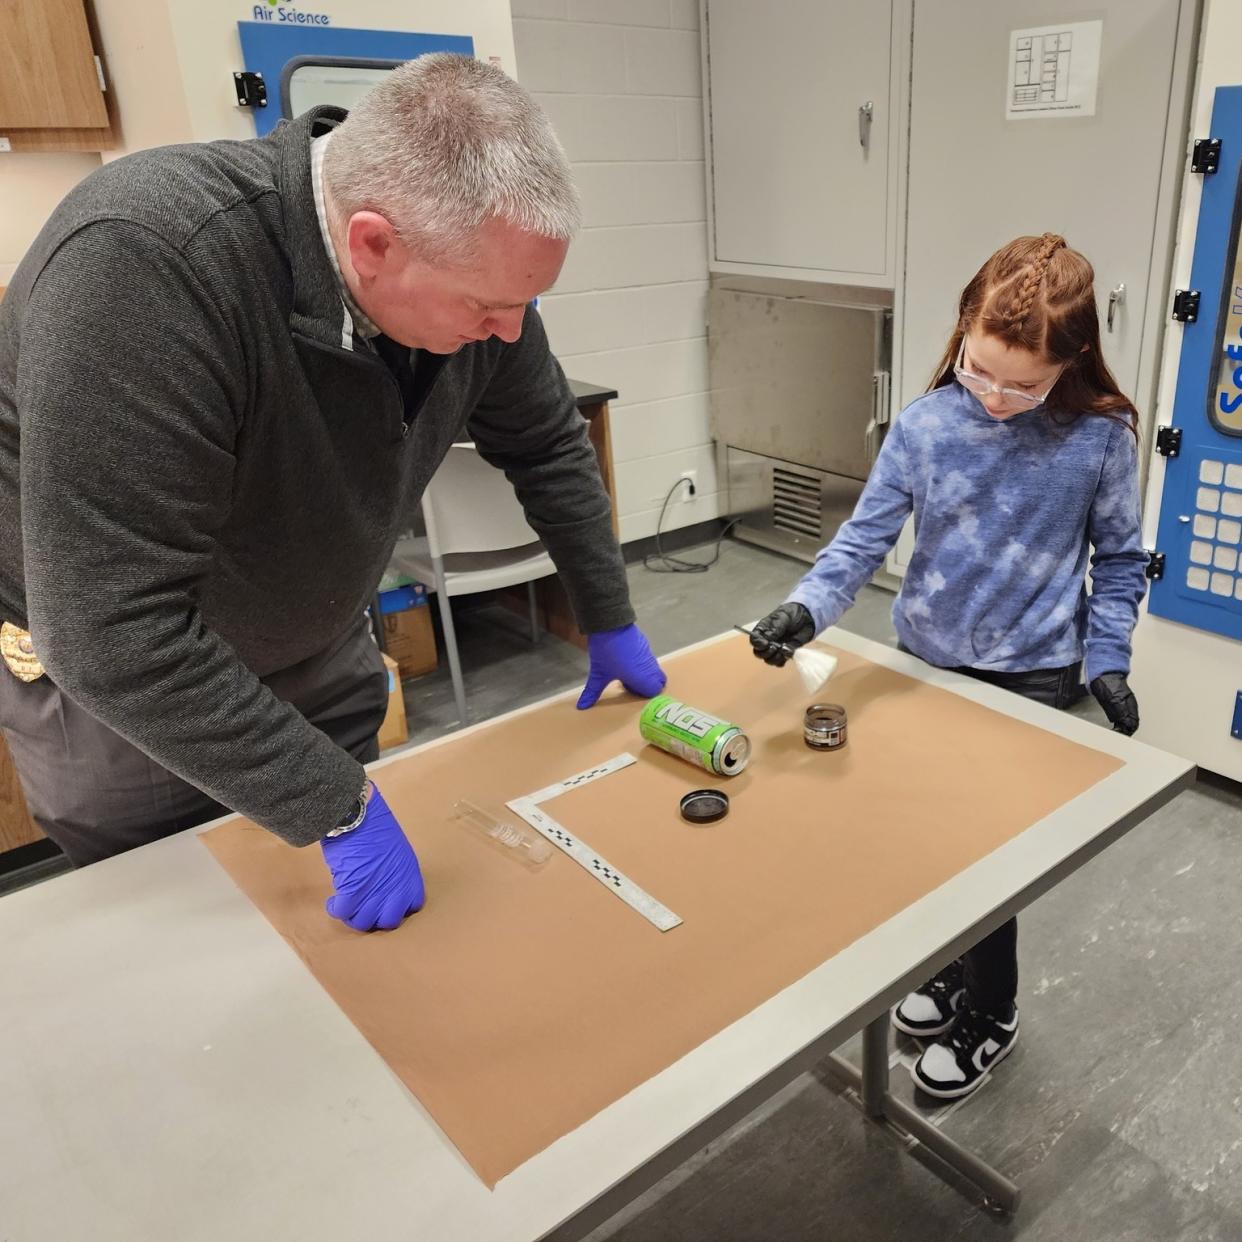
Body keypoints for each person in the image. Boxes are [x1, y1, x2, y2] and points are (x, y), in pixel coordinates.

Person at [0, 54, 666, 931]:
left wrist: (607, 613)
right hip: (132, 707)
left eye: (525, 304)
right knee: (192, 946)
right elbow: (110, 631)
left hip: (317, 644)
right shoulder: (148, 264)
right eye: (488, 305)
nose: (509, 332)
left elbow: (545, 442)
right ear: (372, 243)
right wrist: (334, 807)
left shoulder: (472, 287)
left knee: (356, 954)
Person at [748, 233, 1146, 1099]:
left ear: (1070, 360)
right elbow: (863, 539)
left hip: (1032, 678)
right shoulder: (925, 426)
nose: (997, 398)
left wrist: (1107, 658)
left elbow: (1118, 562)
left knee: (987, 860)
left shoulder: (1101, 440)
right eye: (980, 370)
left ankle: (990, 1010)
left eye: (1025, 383)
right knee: (924, 842)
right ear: (962, 329)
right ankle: (943, 971)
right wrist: (806, 609)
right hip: (924, 663)